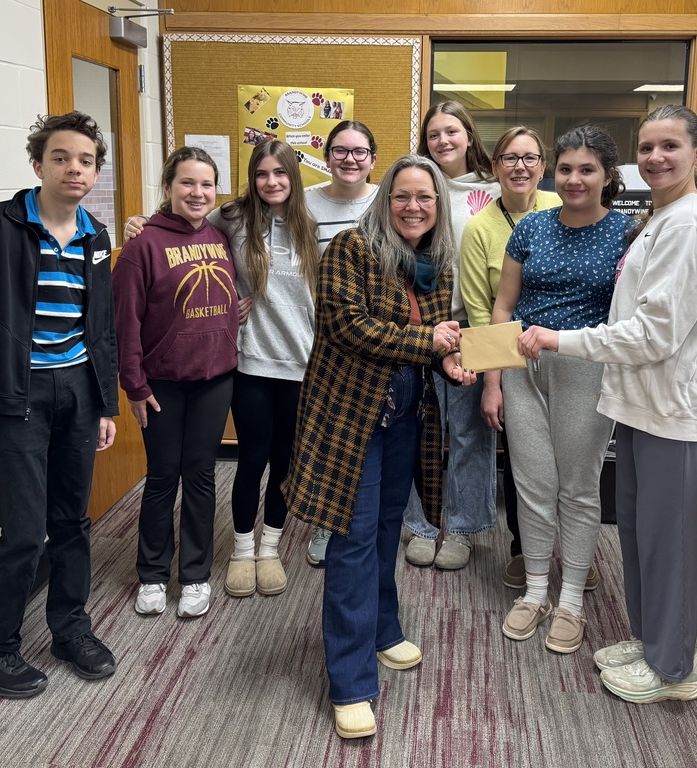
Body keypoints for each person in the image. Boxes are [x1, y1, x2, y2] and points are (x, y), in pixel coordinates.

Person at [519, 105, 697, 701]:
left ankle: (674, 669)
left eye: (670, 147)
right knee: (640, 532)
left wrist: (560, 339)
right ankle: (651, 640)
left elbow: (652, 332)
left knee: (670, 541)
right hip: (638, 403)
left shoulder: (688, 224)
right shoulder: (663, 219)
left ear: (696, 151)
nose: (656, 158)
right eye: (648, 148)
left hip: (671, 409)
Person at [283, 155, 474, 739]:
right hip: (350, 420)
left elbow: (441, 335)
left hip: (406, 418)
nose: (414, 207)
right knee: (352, 538)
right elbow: (348, 326)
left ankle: (383, 629)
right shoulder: (349, 250)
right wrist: (429, 342)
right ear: (383, 200)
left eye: (426, 197)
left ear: (438, 205)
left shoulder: (434, 263)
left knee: (390, 528)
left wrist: (453, 359)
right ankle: (350, 680)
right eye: (402, 196)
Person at [0, 111, 119, 698]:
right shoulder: (0, 225)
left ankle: (71, 628)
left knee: (71, 521)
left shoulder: (97, 236)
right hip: (13, 398)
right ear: (38, 163)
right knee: (25, 531)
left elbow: (102, 327)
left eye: (86, 160)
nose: (75, 169)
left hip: (76, 391)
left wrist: (105, 404)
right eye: (62, 158)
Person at [488, 125, 631, 655]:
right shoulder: (532, 227)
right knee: (532, 482)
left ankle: (571, 598)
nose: (574, 179)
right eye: (566, 169)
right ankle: (535, 592)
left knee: (577, 485)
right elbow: (503, 307)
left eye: (587, 169)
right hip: (523, 368)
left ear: (607, 177)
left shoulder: (628, 233)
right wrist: (493, 380)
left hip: (584, 369)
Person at [113, 146, 238, 620]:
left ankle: (195, 576)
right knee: (164, 476)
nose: (198, 193)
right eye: (187, 183)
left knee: (202, 477)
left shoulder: (218, 236)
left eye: (206, 184)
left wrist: (235, 317)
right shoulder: (142, 245)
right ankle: (150, 573)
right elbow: (125, 323)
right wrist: (134, 385)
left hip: (214, 379)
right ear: (168, 188)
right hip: (160, 383)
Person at [207, 140, 319, 598]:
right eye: (261, 174)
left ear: (293, 176)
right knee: (251, 460)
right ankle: (241, 549)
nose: (271, 182)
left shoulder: (311, 224)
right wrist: (140, 224)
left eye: (280, 173)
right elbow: (184, 229)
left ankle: (270, 548)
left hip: (303, 365)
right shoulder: (233, 218)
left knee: (285, 463)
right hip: (252, 361)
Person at [459, 125, 562, 590]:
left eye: (529, 158)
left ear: (543, 166)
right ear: (495, 166)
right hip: (513, 360)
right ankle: (525, 550)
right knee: (524, 462)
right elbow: (484, 312)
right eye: (509, 159)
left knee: (572, 464)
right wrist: (493, 383)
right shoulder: (480, 228)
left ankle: (571, 551)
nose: (520, 167)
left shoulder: (562, 210)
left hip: (567, 352)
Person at [403, 100, 500, 571]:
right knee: (418, 429)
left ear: (469, 135)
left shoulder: (495, 187)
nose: (443, 140)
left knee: (468, 433)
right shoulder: (417, 185)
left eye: (452, 131)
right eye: (434, 133)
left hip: (475, 324)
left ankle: (462, 528)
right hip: (421, 326)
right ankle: (420, 525)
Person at [301, 121, 379, 566]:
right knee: (331, 436)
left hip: (374, 335)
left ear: (372, 157)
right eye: (340, 150)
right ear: (327, 155)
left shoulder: (385, 200)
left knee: (369, 439)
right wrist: (151, 220)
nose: (350, 159)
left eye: (359, 151)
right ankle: (325, 523)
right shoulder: (305, 200)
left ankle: (372, 522)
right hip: (323, 337)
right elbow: (238, 216)